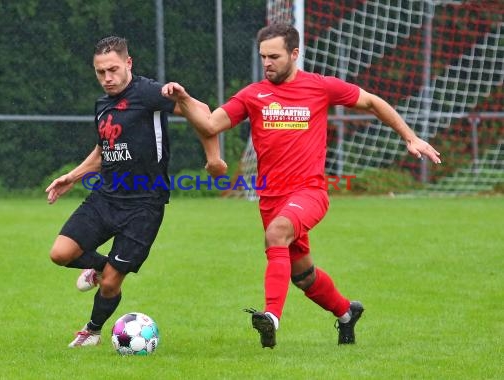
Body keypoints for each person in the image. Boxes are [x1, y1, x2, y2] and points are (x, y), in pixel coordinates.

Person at [162, 23, 441, 348]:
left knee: (276, 234)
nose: (267, 63)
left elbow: (372, 102)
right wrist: (184, 101)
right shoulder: (253, 95)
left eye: (275, 56)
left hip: (310, 192)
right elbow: (210, 124)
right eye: (263, 56)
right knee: (303, 276)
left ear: (295, 53)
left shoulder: (320, 87)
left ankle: (271, 318)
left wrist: (410, 137)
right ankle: (347, 313)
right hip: (271, 199)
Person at [46, 36, 227, 348]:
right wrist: (73, 177)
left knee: (113, 282)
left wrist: (213, 158)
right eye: (100, 72)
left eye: (113, 69)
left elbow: (202, 111)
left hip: (144, 205)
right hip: (105, 197)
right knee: (60, 253)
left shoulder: (147, 93)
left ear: (128, 63)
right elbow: (105, 150)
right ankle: (100, 267)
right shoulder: (102, 105)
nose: (107, 78)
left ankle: (92, 330)